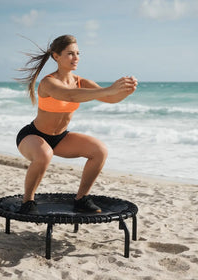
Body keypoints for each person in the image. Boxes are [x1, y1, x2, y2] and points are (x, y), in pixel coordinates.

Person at [16, 35, 137, 214]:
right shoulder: (49, 82)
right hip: (33, 136)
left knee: (99, 150)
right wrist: (110, 88)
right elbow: (70, 95)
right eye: (70, 53)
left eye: (78, 53)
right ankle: (28, 202)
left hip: (60, 138)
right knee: (44, 155)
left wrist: (125, 90)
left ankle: (81, 199)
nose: (76, 57)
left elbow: (110, 98)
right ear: (56, 56)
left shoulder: (81, 82)